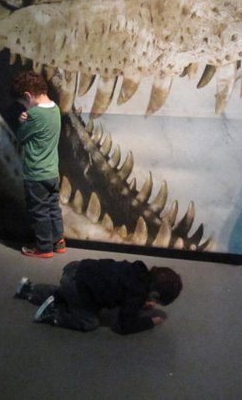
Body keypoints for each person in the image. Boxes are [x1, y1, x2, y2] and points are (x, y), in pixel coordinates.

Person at [14, 259, 183, 334]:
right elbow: (123, 325)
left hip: (76, 269)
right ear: (154, 294)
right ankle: (54, 315)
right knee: (90, 322)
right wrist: (150, 322)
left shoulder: (137, 270)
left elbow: (124, 289)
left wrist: (140, 303)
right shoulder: (137, 294)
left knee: (63, 292)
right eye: (156, 300)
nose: (154, 303)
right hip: (80, 288)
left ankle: (29, 289)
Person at [11, 71, 65, 258]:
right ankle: (58, 242)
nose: (24, 107)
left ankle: (44, 248)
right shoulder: (55, 109)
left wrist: (21, 121)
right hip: (52, 172)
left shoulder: (34, 114)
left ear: (28, 96)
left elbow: (20, 137)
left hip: (36, 174)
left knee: (39, 211)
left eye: (23, 103)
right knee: (53, 208)